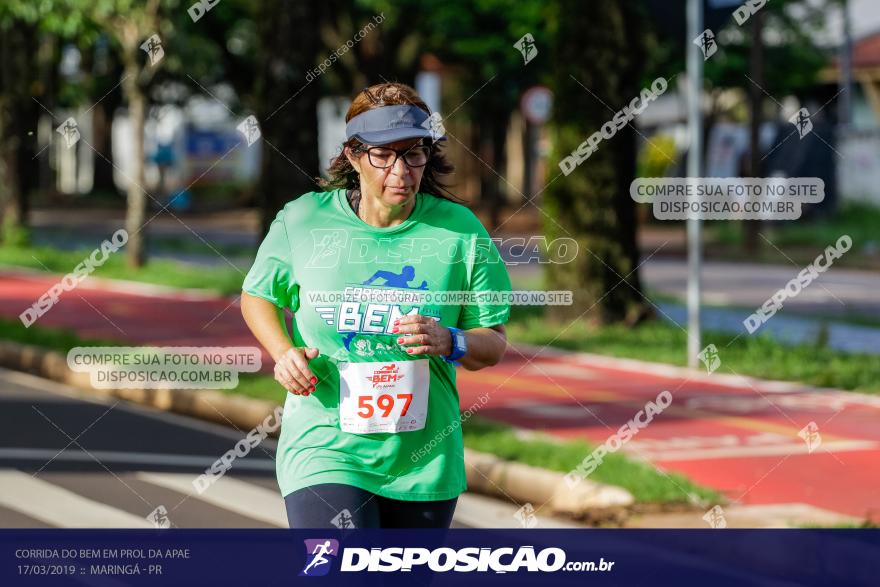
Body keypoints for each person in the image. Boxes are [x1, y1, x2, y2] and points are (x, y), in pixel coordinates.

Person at [240, 82, 511, 529]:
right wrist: (283, 351)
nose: (401, 170)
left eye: (413, 153)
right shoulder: (304, 220)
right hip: (325, 447)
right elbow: (258, 296)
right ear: (352, 156)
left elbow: (493, 345)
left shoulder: (461, 232)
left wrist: (452, 339)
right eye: (383, 155)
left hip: (423, 460)